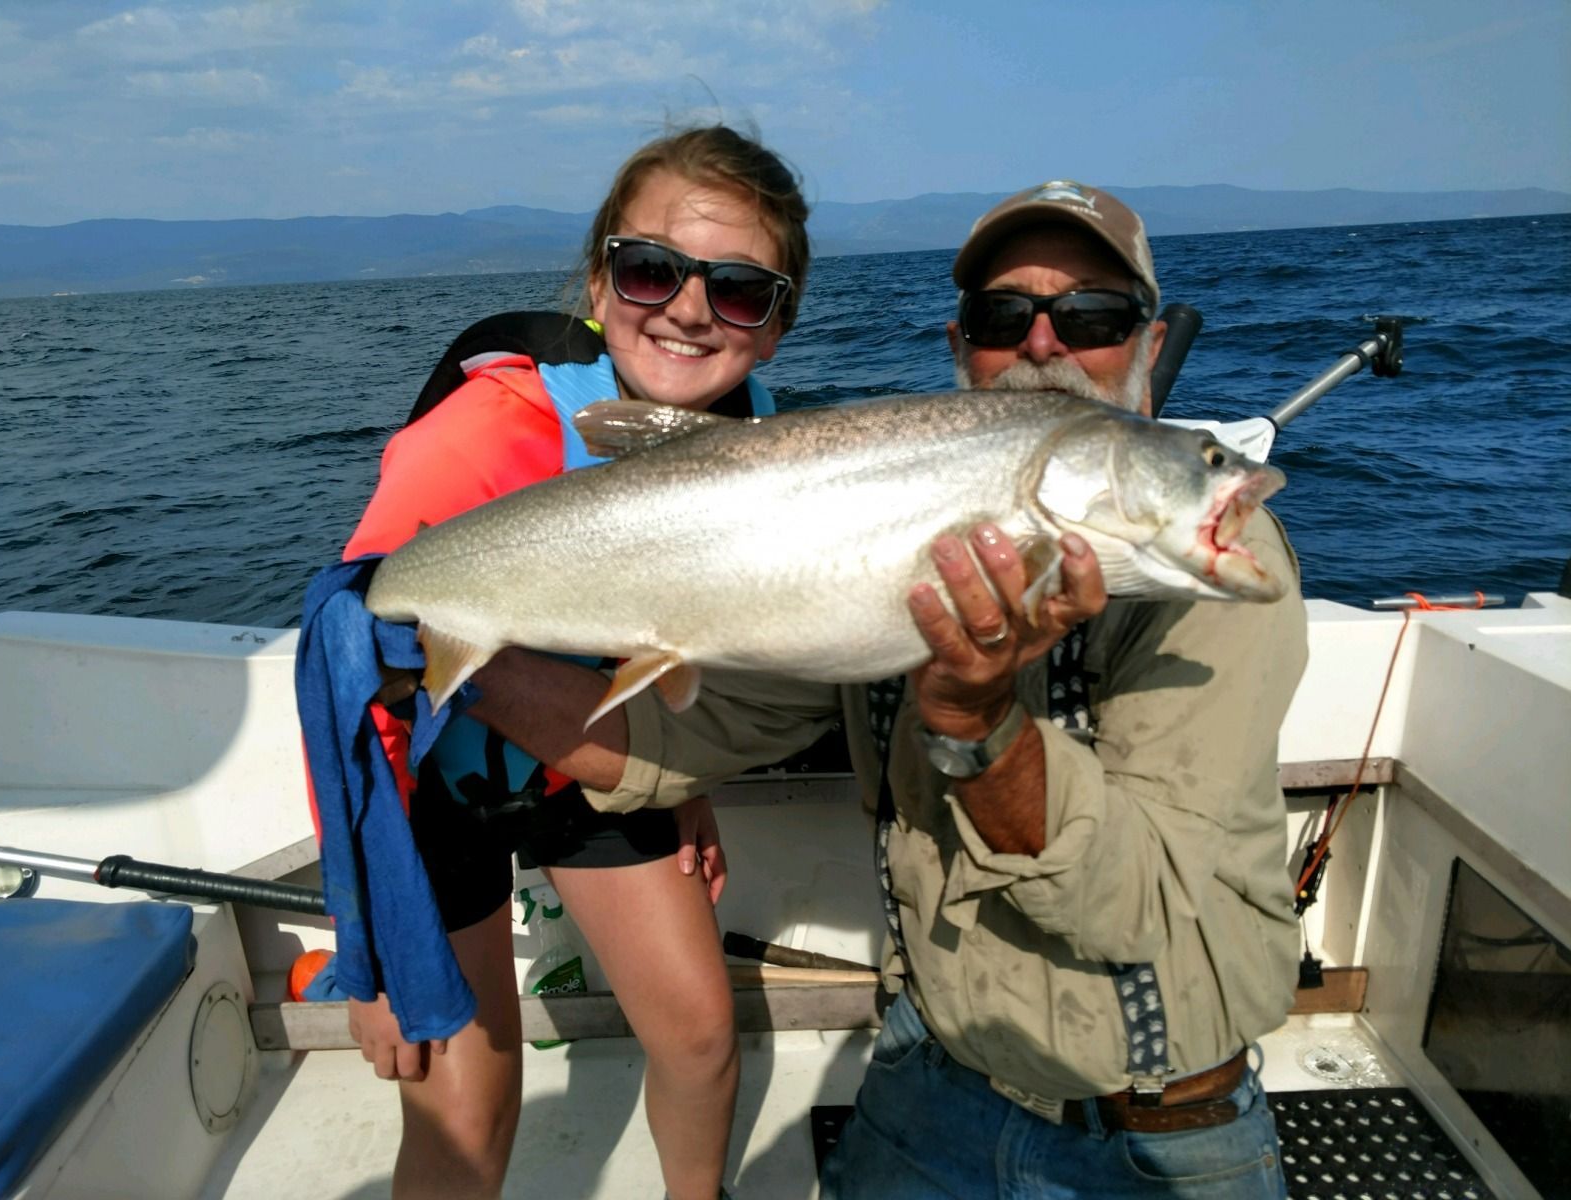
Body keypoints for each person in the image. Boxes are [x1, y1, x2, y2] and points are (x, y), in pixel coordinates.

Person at [465, 180, 1307, 1198]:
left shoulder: (1207, 575)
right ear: (962, 345)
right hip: (927, 1082)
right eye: (1006, 317)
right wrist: (454, 659)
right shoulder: (893, 550)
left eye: (1090, 315)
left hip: (1157, 1136)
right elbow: (668, 741)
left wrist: (978, 720)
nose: (1043, 344)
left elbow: (1143, 910)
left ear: (1147, 340)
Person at [327, 125, 811, 1200]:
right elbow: (350, 671)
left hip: (590, 755)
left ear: (775, 330)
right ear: (600, 280)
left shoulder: (751, 438)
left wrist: (683, 784)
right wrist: (370, 937)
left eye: (738, 291)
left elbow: (682, 630)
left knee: (698, 1039)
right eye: (652, 270)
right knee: (468, 1105)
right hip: (429, 794)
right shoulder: (488, 430)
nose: (688, 309)